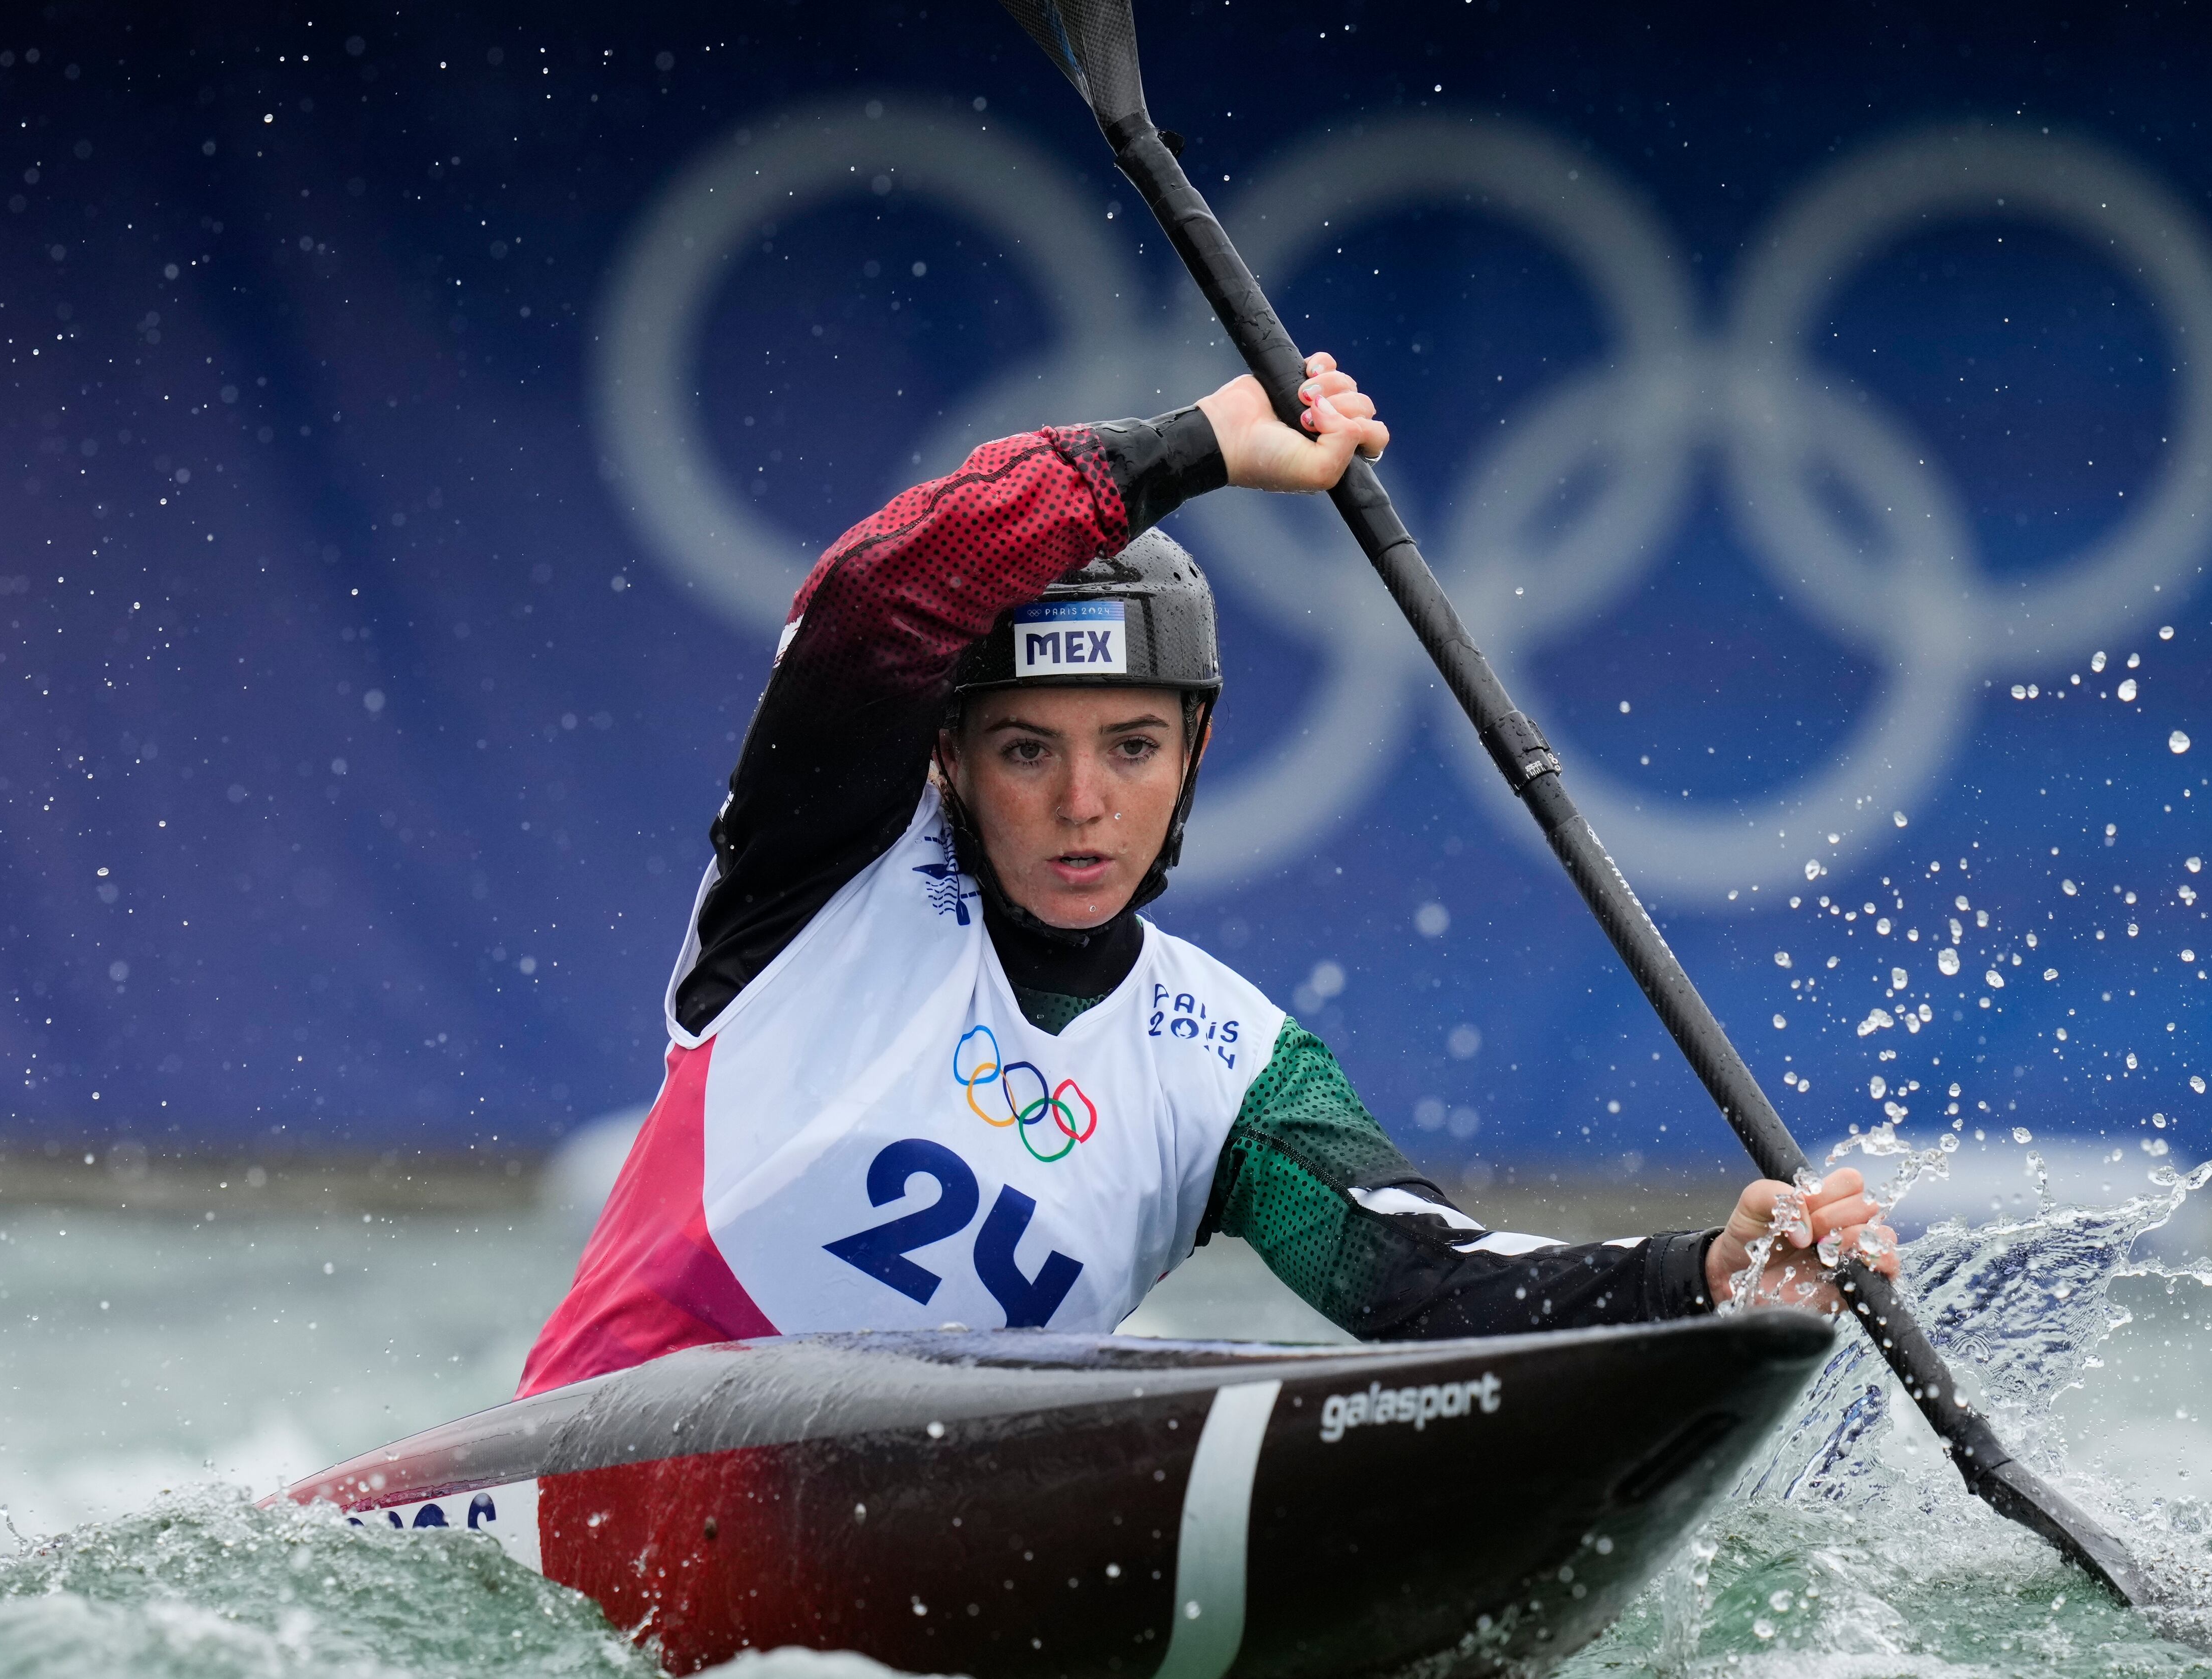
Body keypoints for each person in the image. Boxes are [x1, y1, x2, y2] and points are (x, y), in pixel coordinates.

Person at [519, 355, 1895, 1395]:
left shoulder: (1228, 1067)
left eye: (1130, 746)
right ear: (945, 757)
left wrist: (1706, 1278)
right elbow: (879, 600)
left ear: (1196, 752)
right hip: (608, 1455)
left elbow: (1422, 1283)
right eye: (1023, 749)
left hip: (919, 1533)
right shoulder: (818, 879)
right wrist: (1182, 452)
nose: (1081, 802)